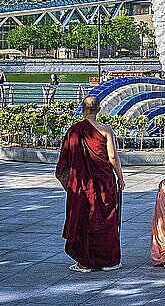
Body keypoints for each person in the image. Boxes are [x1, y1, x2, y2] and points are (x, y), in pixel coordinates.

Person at [55, 95, 125, 273]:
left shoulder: (74, 131)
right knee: (106, 218)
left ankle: (84, 262)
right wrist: (120, 177)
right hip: (104, 183)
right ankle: (108, 261)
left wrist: (72, 183)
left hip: (82, 185)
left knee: (84, 217)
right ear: (99, 110)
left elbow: (65, 162)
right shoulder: (106, 131)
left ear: (82, 109)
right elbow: (112, 157)